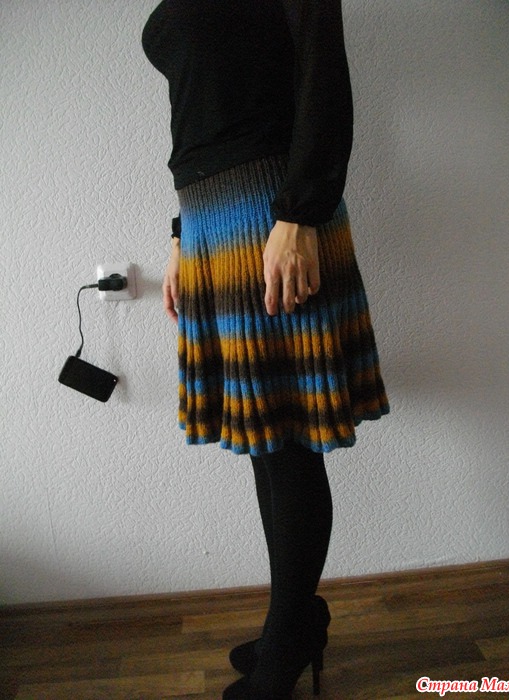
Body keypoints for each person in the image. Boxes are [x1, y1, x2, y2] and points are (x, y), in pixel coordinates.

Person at [141, 1, 390, 697]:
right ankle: (296, 619)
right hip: (211, 217)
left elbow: (321, 77)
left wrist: (300, 212)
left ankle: (288, 639)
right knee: (264, 439)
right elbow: (198, 111)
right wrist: (179, 233)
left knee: (286, 445)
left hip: (272, 210)